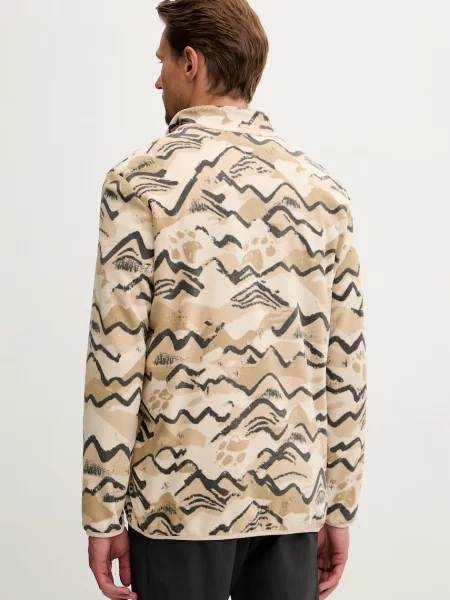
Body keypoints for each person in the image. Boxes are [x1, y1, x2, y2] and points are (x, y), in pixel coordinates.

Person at [81, 1, 368, 599]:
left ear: (191, 62)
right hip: (291, 499)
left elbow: (116, 360)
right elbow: (344, 365)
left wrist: (103, 513)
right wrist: (338, 506)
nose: (157, 79)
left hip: (177, 504)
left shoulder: (139, 184)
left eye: (162, 61)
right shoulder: (324, 194)